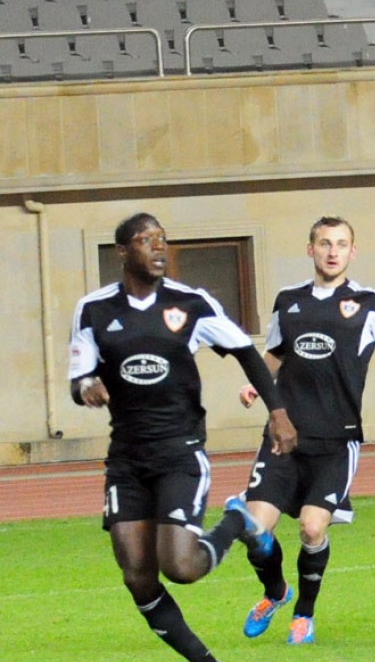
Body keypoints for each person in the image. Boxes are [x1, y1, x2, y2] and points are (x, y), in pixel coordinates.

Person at [67, 213, 298, 662]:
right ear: (122, 251)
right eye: (145, 240)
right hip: (126, 460)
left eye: (162, 239)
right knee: (137, 577)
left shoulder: (191, 303)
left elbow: (246, 351)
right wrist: (86, 386)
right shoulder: (93, 309)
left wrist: (278, 412)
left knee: (182, 566)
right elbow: (78, 378)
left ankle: (238, 522)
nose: (158, 247)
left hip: (179, 453)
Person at [235, 216, 375, 645]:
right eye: (324, 243)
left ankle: (304, 614)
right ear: (311, 249)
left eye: (341, 244)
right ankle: (275, 592)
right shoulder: (289, 300)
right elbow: (276, 354)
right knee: (254, 529)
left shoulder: (370, 303)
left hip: (337, 441)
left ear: (352, 252)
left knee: (312, 529)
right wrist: (257, 384)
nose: (332, 251)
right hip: (284, 438)